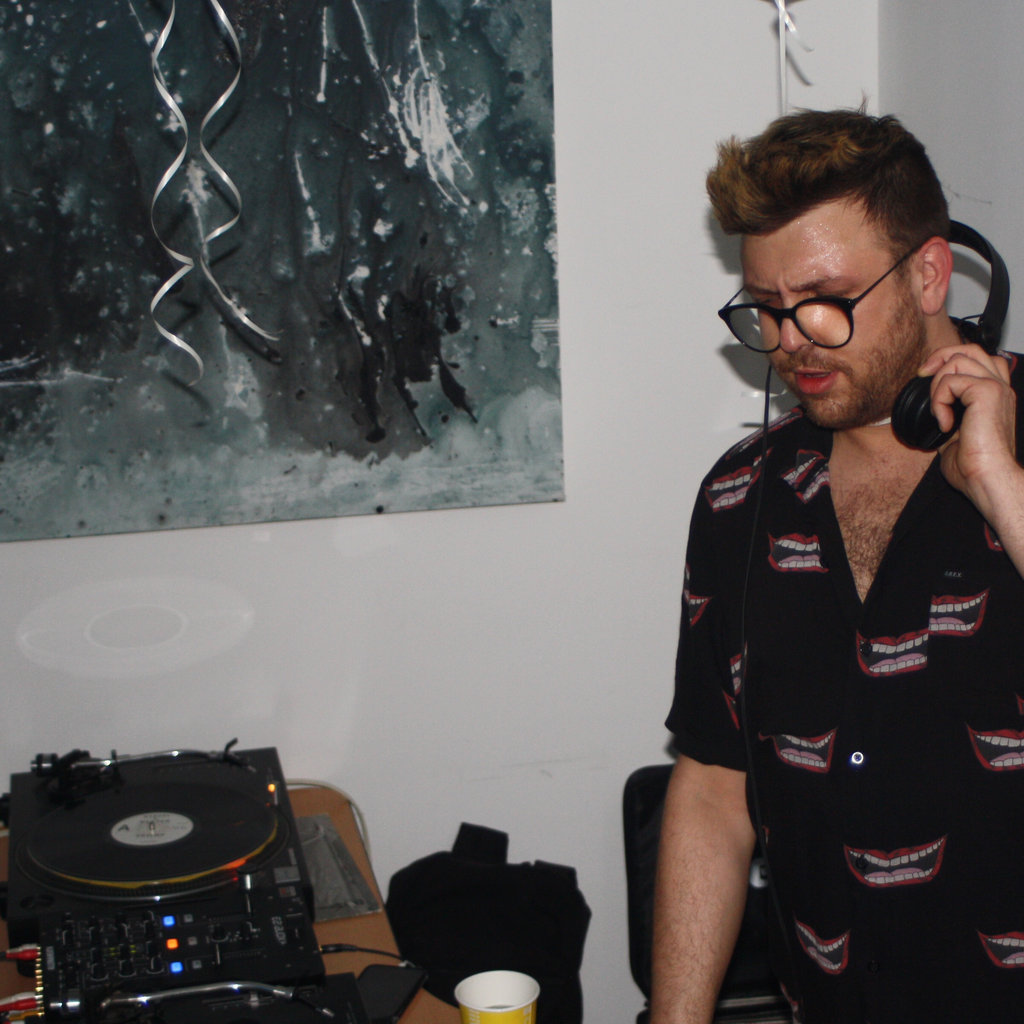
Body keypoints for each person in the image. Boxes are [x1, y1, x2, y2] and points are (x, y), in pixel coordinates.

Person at [651, 108, 1024, 1024]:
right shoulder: (742, 495)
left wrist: (1000, 487)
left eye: (824, 299)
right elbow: (713, 788)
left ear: (930, 273)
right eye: (767, 307)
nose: (791, 340)